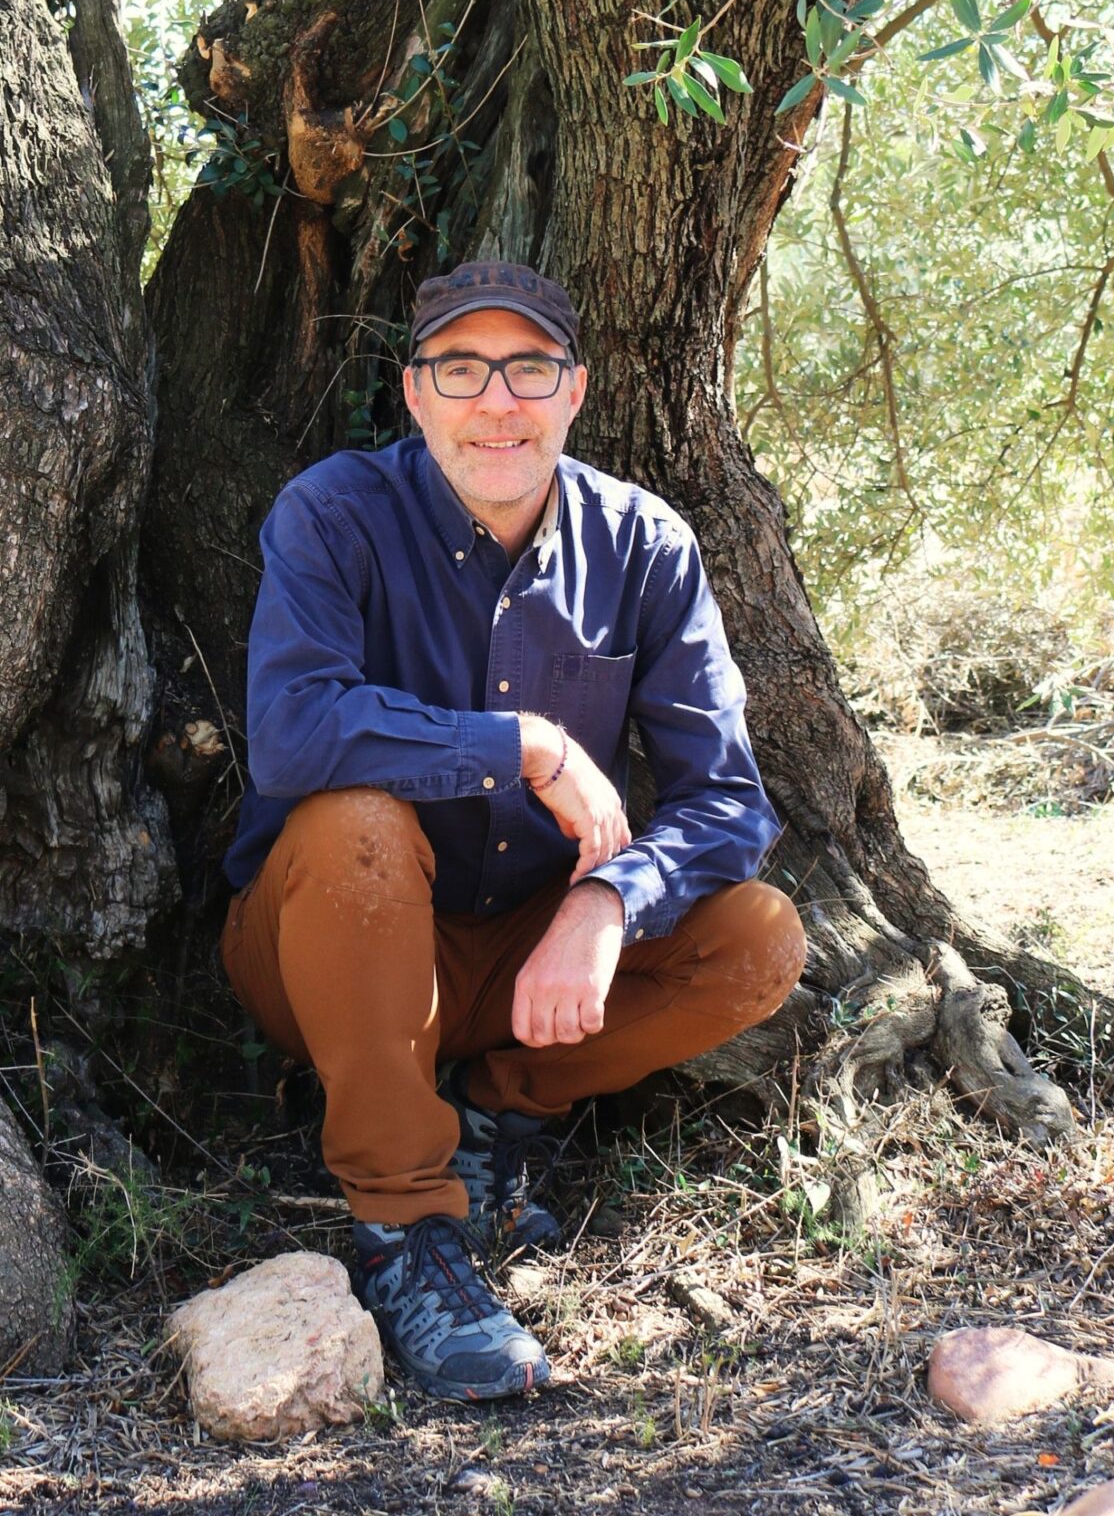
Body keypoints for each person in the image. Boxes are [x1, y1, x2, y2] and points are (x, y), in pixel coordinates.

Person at [220, 258, 806, 1401]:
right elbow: (292, 730)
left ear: (575, 391)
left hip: (528, 958)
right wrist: (524, 743)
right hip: (325, 951)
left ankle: (500, 1116)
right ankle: (405, 1228)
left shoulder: (644, 545)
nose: (499, 401)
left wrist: (609, 899)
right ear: (415, 391)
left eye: (528, 368)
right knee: (354, 823)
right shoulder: (335, 513)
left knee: (757, 937)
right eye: (462, 368)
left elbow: (728, 800)